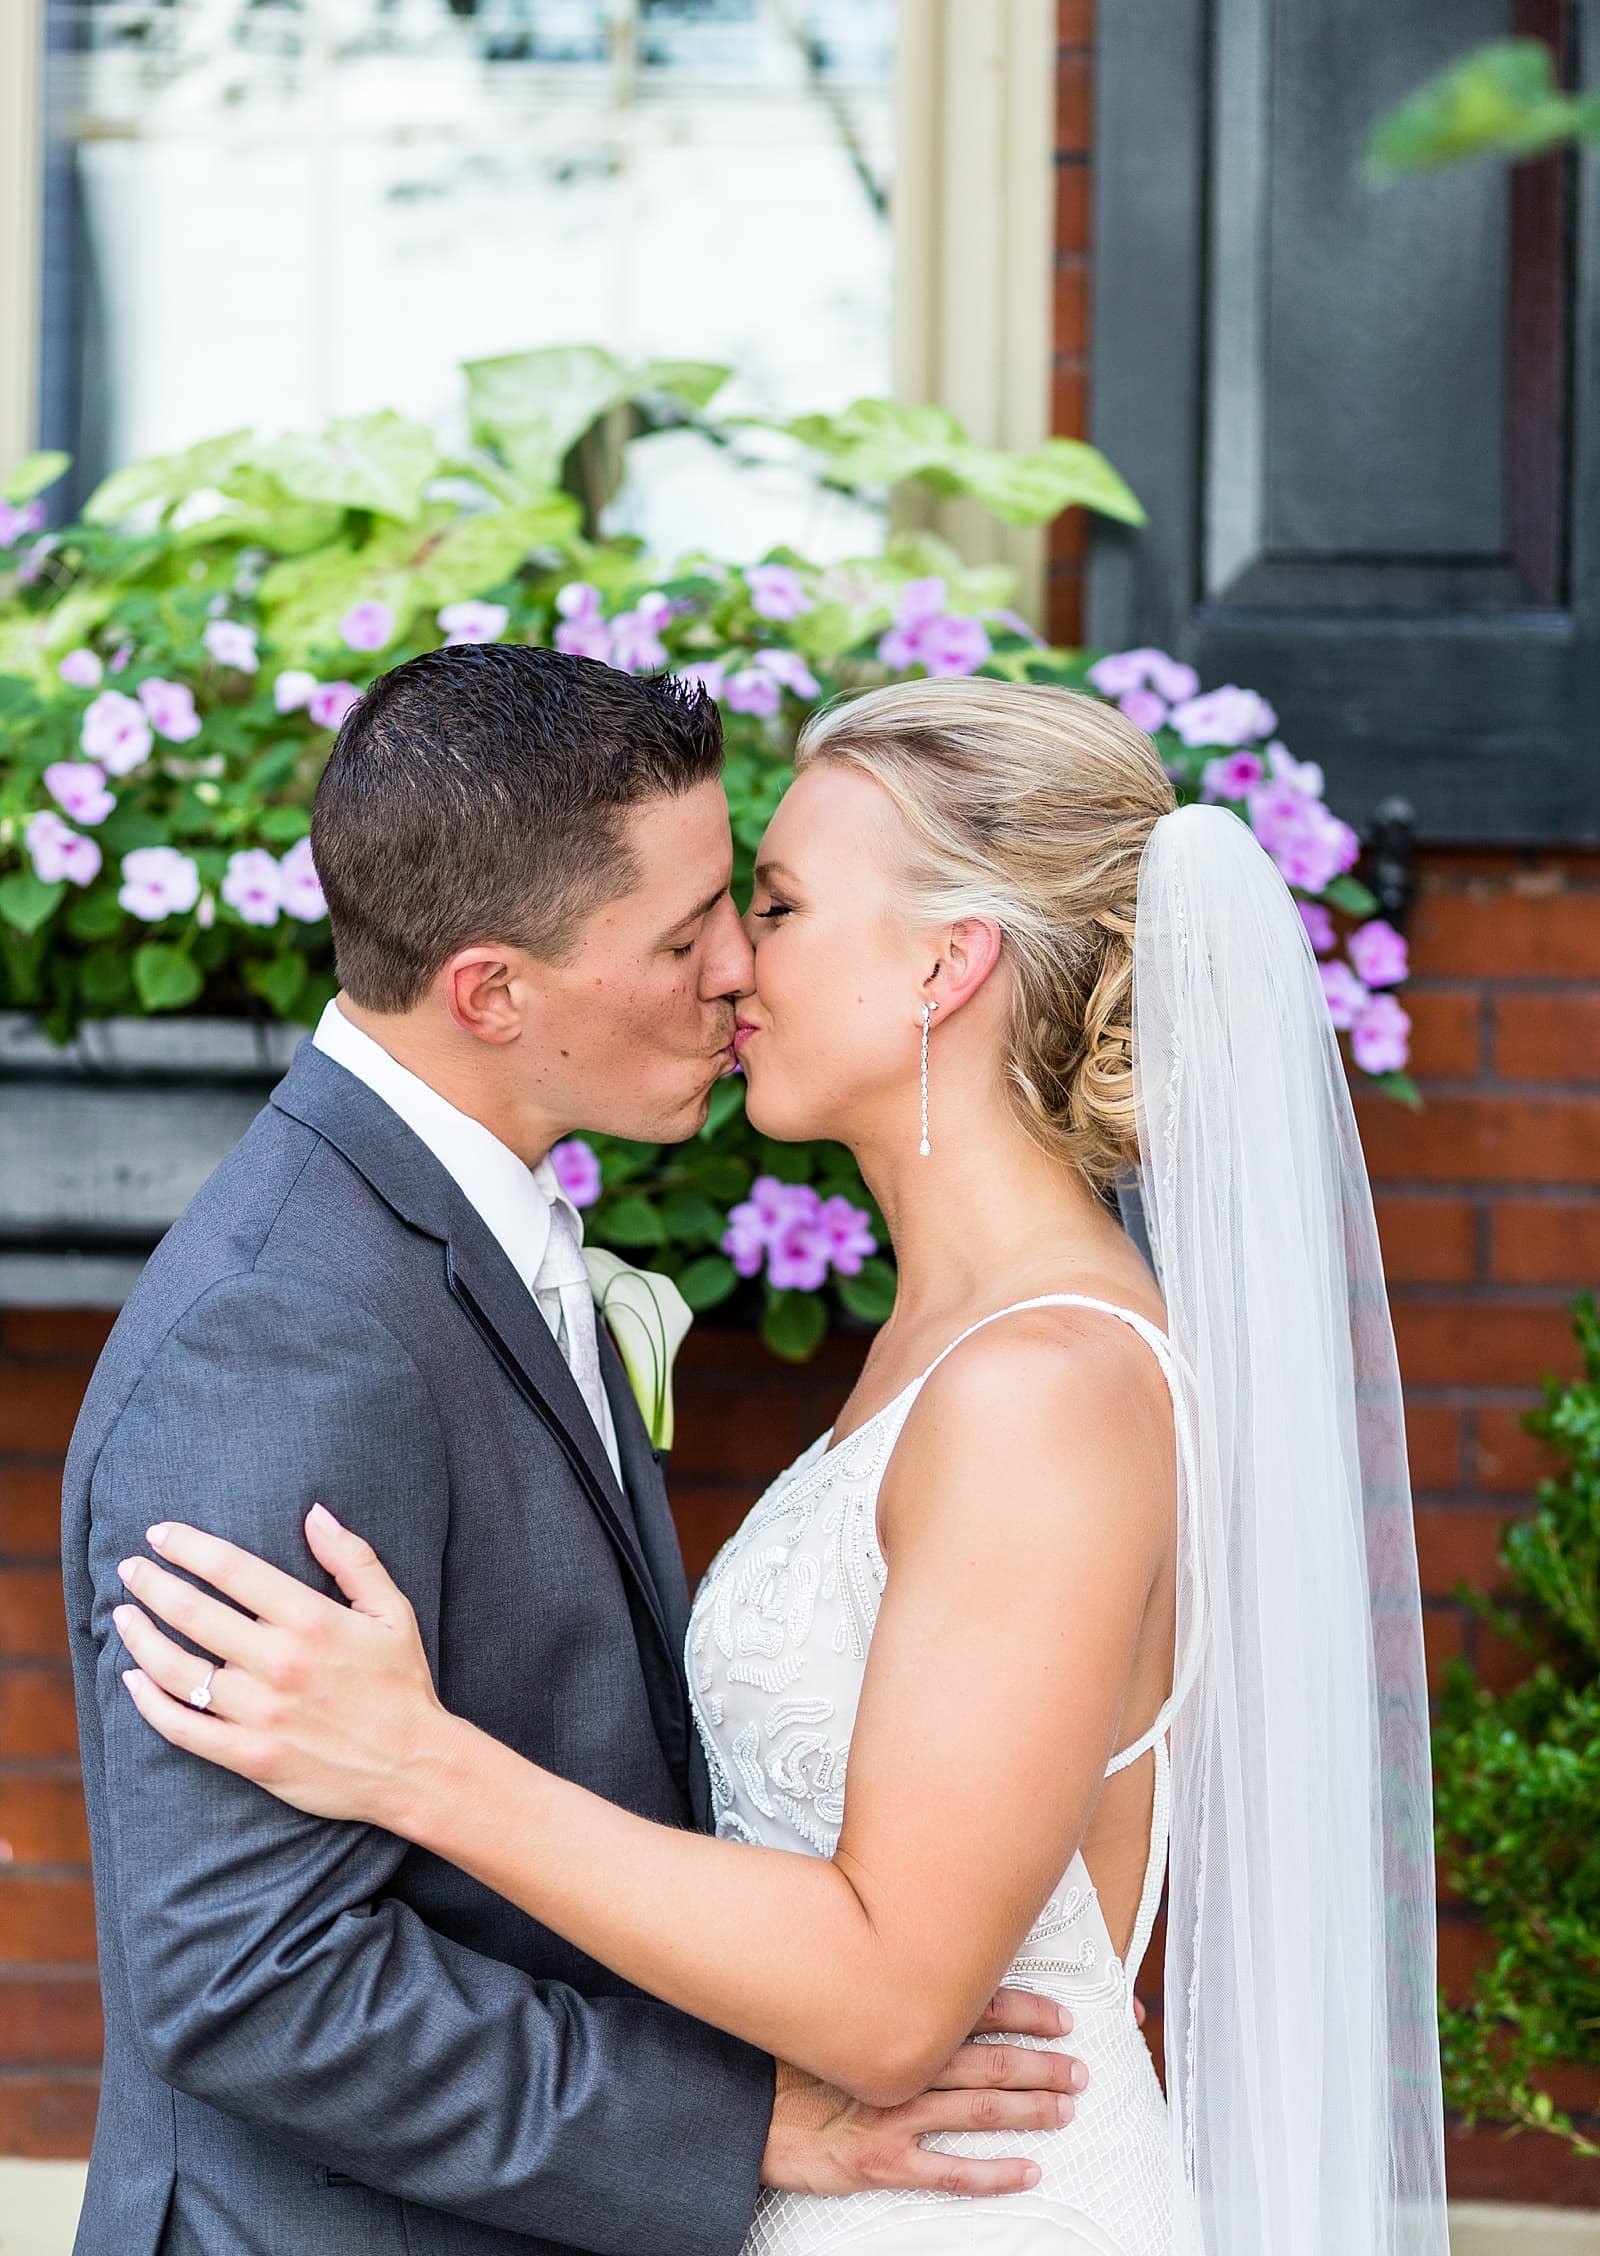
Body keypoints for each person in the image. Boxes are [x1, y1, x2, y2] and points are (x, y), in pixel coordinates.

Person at [110, 675, 1451, 2253]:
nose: (737, 966)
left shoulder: (1044, 1386)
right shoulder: (943, 1339)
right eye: (723, 919)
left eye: (783, 905)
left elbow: (894, 1995)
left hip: (970, 2204)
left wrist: (422, 1762)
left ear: (950, 965)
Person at [62, 647, 1089, 2256]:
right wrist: (742, 2125)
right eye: (685, 937)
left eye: (745, 910)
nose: (736, 971)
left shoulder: (462, 1236)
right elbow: (253, 1974)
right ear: (493, 991)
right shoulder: (283, 1336)